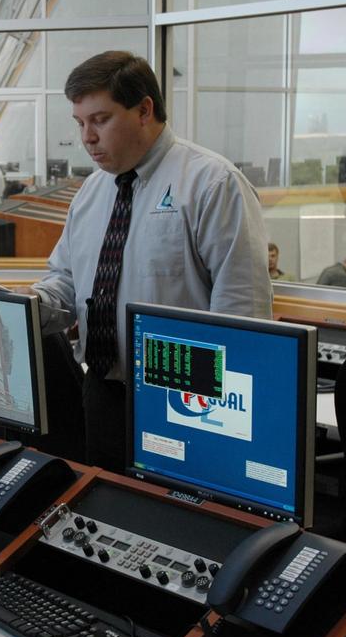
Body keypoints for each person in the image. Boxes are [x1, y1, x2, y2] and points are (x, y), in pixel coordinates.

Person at [31, 51, 271, 472]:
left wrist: (216, 411)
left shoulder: (212, 183)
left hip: (186, 398)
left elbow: (242, 310)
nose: (87, 137)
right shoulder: (90, 193)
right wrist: (24, 307)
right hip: (103, 390)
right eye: (80, 123)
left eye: (100, 120)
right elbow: (66, 282)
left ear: (144, 110)